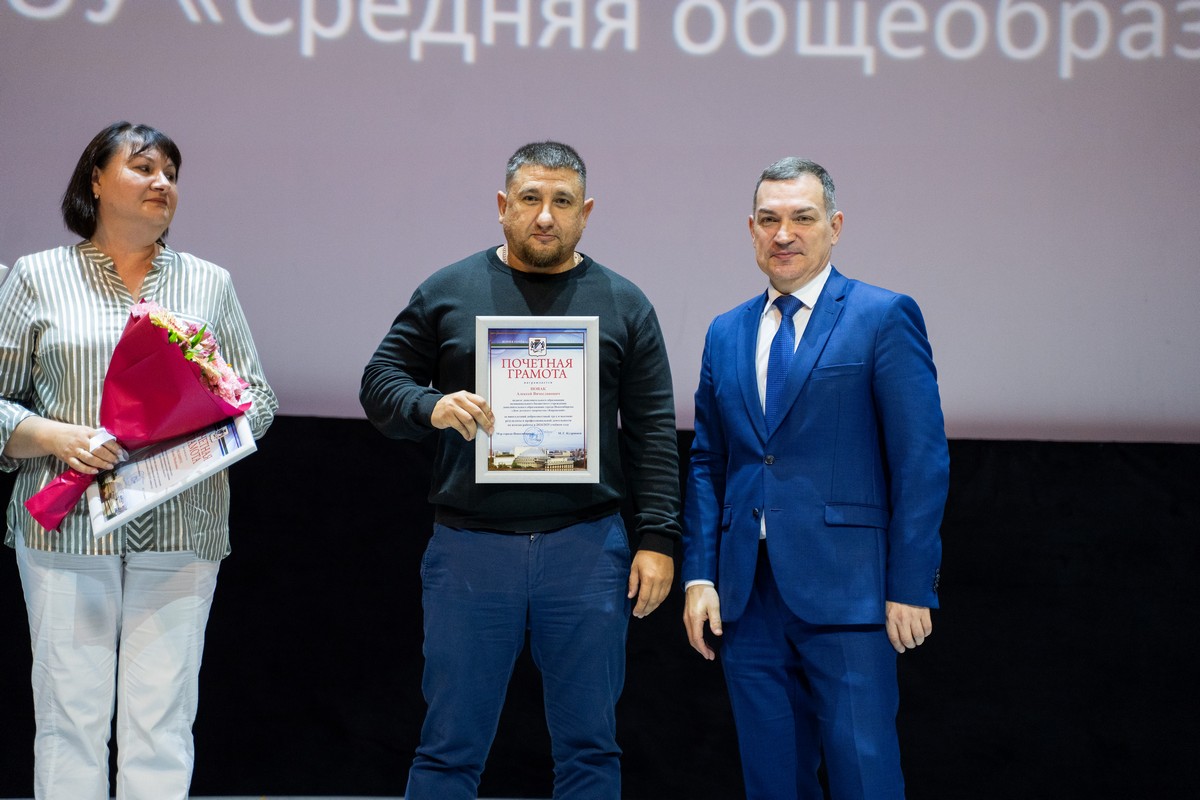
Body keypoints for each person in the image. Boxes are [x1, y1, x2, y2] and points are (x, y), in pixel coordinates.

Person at [360, 141, 680, 800]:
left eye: (563, 201)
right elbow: (380, 381)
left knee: (591, 748)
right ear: (503, 206)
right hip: (470, 548)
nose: (545, 216)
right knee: (448, 748)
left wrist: (658, 538)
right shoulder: (449, 290)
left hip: (586, 547)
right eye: (531, 199)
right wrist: (430, 405)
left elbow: (652, 432)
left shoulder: (624, 303)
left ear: (586, 212)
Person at [0, 121, 278, 800]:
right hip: (67, 528)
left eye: (171, 175)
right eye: (145, 168)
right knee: (69, 719)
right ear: (95, 180)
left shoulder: (208, 282)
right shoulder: (37, 276)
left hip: (182, 524)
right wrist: (55, 436)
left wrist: (197, 440)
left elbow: (259, 398)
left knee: (162, 724)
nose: (162, 184)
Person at [681, 157, 949, 800]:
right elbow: (708, 461)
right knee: (771, 781)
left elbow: (921, 460)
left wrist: (911, 583)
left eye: (802, 218)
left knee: (865, 776)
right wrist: (699, 575)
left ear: (835, 226)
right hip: (746, 597)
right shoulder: (725, 331)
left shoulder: (883, 315)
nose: (784, 234)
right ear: (750, 229)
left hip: (852, 593)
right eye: (768, 219)